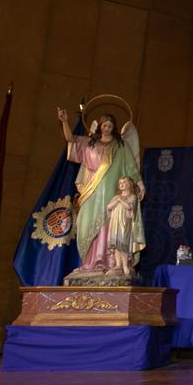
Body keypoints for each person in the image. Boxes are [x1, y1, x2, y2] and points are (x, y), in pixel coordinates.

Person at [57, 109, 145, 275]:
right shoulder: (90, 144)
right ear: (100, 127)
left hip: (112, 193)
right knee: (87, 223)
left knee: (111, 226)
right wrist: (64, 122)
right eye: (104, 125)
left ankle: (110, 262)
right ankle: (91, 262)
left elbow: (132, 168)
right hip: (91, 193)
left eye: (110, 126)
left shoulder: (120, 146)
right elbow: (70, 139)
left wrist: (140, 184)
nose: (107, 128)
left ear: (114, 128)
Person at [106, 177, 142, 277]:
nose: (121, 184)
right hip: (115, 223)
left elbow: (130, 207)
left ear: (129, 184)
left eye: (124, 182)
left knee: (123, 243)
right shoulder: (116, 197)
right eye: (120, 183)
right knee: (116, 244)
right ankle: (118, 264)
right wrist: (117, 200)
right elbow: (109, 207)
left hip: (125, 223)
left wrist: (120, 201)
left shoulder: (132, 197)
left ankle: (125, 265)